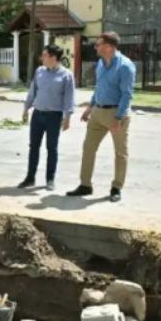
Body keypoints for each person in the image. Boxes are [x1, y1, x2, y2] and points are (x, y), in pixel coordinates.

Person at [67, 31, 136, 203]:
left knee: (120, 153)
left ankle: (116, 188)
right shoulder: (100, 64)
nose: (95, 47)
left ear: (109, 47)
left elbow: (127, 95)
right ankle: (85, 185)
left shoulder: (125, 66)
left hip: (116, 114)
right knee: (88, 148)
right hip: (98, 112)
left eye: (98, 44)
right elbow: (99, 87)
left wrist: (118, 118)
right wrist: (90, 107)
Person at [18, 44, 76, 191]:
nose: (41, 58)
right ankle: (30, 177)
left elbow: (69, 98)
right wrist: (26, 108)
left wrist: (67, 117)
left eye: (44, 55)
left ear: (53, 57)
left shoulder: (66, 75)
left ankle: (50, 179)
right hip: (37, 115)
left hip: (54, 116)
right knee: (33, 147)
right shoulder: (39, 71)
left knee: (52, 148)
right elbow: (33, 92)